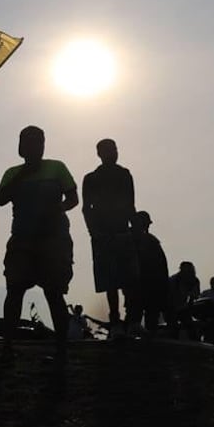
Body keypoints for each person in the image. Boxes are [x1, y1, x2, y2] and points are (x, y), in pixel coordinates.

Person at [0, 125, 79, 361]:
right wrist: (23, 174)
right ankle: (8, 345)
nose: (32, 146)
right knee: (14, 290)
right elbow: (0, 199)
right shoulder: (12, 173)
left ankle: (61, 347)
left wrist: (58, 208)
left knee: (53, 293)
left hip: (53, 239)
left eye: (37, 142)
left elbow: (73, 197)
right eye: (27, 142)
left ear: (43, 145)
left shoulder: (57, 167)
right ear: (20, 147)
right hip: (22, 239)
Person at [81, 139, 137, 326]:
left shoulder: (124, 174)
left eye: (115, 149)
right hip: (102, 234)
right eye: (109, 150)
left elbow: (130, 205)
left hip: (123, 231)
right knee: (109, 281)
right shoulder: (91, 178)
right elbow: (86, 208)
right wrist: (94, 232)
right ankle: (115, 318)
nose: (114, 153)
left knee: (129, 278)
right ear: (100, 154)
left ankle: (131, 318)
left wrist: (134, 230)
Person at [166, 261, 201, 337]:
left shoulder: (195, 281)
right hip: (169, 305)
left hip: (183, 307)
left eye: (191, 271)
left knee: (191, 327)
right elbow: (169, 298)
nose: (190, 273)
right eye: (187, 271)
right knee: (172, 327)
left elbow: (193, 297)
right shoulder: (173, 281)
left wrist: (189, 312)